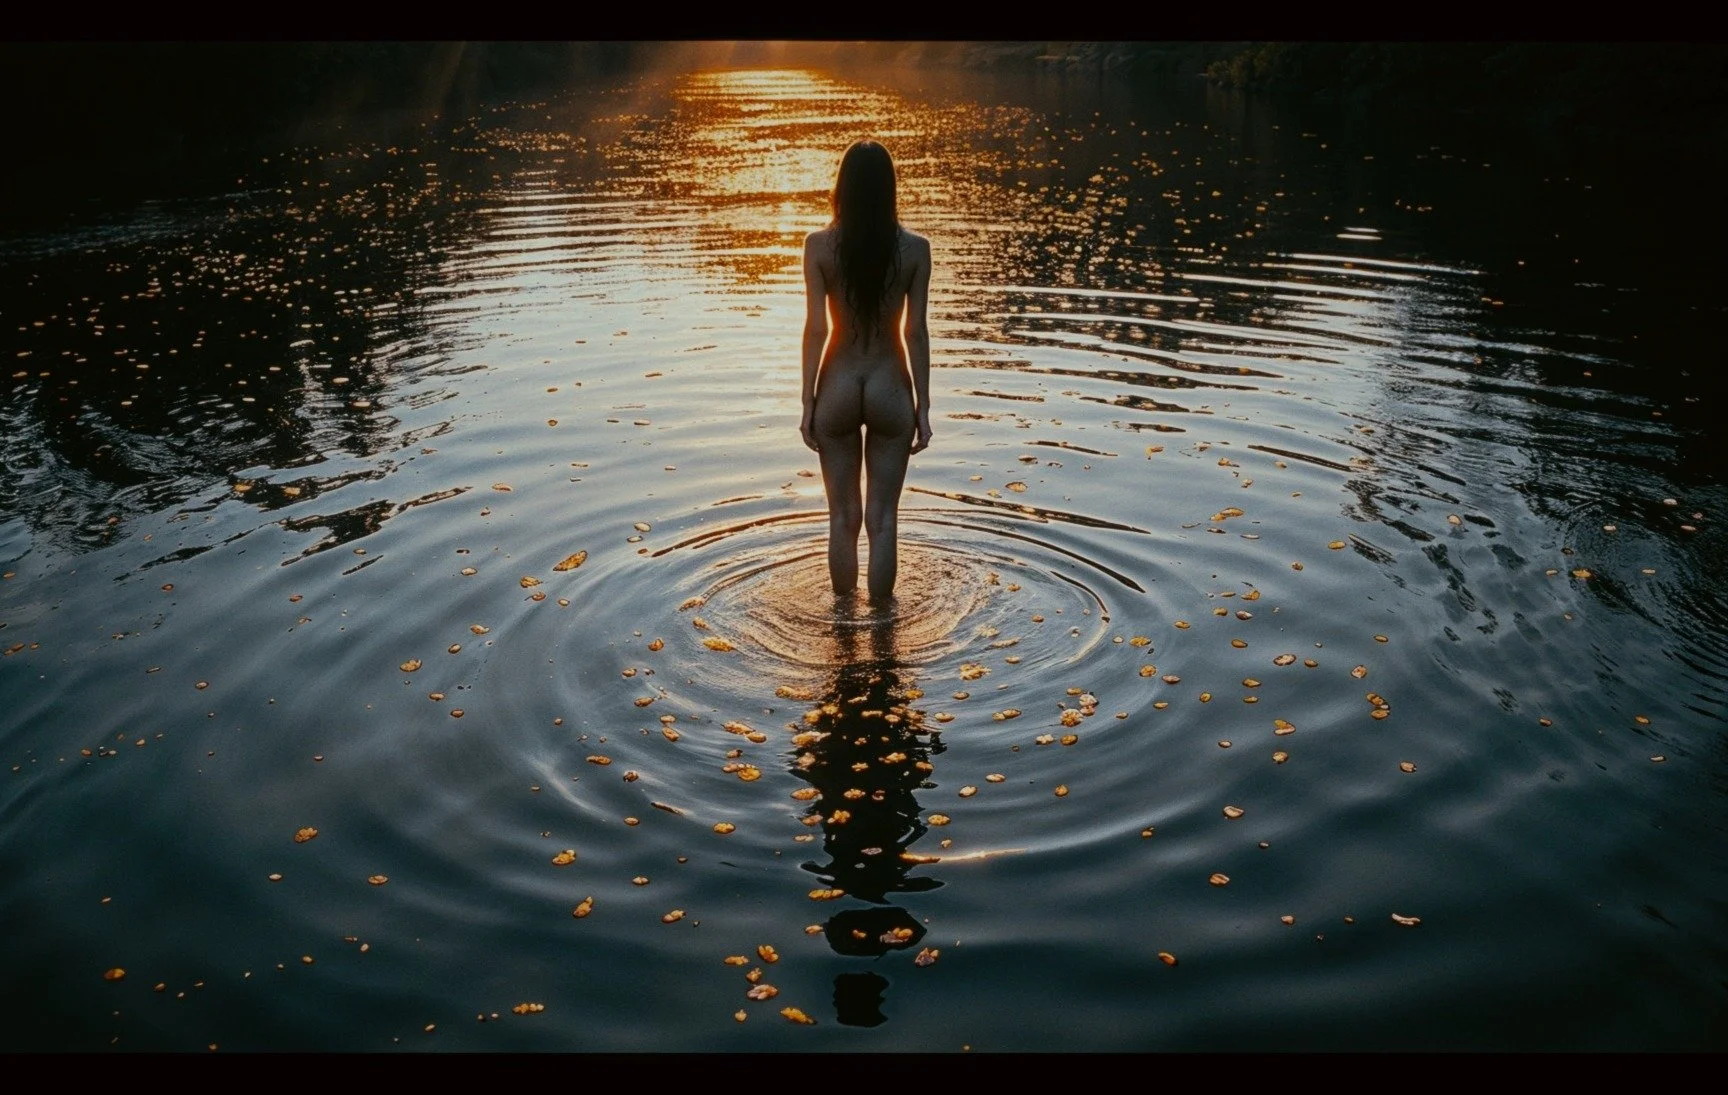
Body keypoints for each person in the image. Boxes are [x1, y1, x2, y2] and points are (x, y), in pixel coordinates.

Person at [799, 140, 932, 604]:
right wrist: (924, 406)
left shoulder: (819, 246)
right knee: (883, 519)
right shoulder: (916, 249)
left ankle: (840, 625)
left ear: (843, 189)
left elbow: (816, 328)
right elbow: (915, 332)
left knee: (842, 517)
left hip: (837, 381)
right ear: (889, 190)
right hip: (890, 385)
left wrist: (806, 402)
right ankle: (882, 628)